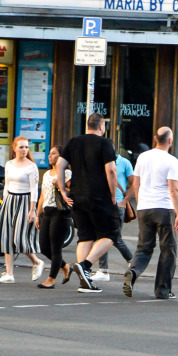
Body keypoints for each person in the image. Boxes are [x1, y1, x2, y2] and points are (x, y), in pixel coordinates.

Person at [56, 113, 122, 293]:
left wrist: (63, 189)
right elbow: (111, 170)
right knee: (111, 233)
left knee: (85, 236)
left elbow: (59, 165)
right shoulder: (105, 143)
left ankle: (83, 281)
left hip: (77, 195)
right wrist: (114, 194)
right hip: (99, 196)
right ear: (102, 126)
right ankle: (85, 266)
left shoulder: (73, 142)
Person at [123, 127, 178, 300]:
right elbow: (174, 189)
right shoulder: (172, 161)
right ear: (170, 141)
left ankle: (132, 272)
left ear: (155, 139)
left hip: (145, 207)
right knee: (168, 249)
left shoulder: (143, 157)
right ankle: (163, 290)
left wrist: (141, 202)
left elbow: (136, 183)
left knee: (144, 247)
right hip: (164, 208)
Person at [0, 136, 44, 284]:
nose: (24, 150)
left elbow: (34, 190)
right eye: (21, 147)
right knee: (6, 236)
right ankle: (9, 274)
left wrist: (32, 210)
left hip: (25, 201)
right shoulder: (9, 164)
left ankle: (36, 261)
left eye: (26, 147)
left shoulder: (31, 166)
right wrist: (4, 203)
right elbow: (7, 185)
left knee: (19, 239)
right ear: (14, 148)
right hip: (10, 201)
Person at [93, 152, 137, 282]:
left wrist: (124, 201)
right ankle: (103, 270)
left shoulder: (124, 163)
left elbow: (134, 183)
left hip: (117, 206)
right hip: (103, 205)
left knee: (115, 237)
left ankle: (131, 262)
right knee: (102, 237)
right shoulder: (100, 162)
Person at [34, 145, 73, 289]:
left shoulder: (67, 173)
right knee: (44, 247)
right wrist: (38, 215)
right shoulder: (46, 174)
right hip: (47, 212)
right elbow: (43, 196)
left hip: (60, 212)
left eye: (54, 153)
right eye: (49, 153)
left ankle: (51, 279)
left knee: (55, 247)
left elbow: (73, 192)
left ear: (61, 157)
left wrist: (60, 186)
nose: (50, 156)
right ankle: (66, 266)